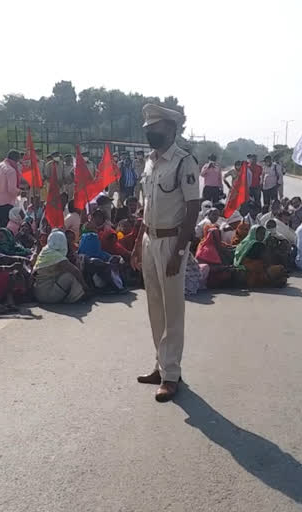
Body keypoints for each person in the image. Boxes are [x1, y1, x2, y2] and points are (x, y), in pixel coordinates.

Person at [130, 104, 200, 403]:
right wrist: (136, 243)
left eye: (154, 130)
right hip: (149, 239)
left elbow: (193, 209)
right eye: (147, 130)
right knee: (155, 308)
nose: (150, 134)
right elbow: (146, 208)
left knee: (173, 311)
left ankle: (171, 375)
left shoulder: (184, 162)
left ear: (171, 130)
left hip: (172, 242)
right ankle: (161, 366)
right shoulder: (150, 162)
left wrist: (180, 250)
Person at [32, 230, 88, 304]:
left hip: (38, 293)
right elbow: (75, 271)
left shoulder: (45, 251)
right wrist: (85, 287)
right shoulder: (56, 255)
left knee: (65, 272)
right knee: (70, 275)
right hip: (47, 295)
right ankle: (77, 297)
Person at [0, 150, 22, 228]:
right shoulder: (10, 170)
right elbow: (12, 190)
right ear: (16, 159)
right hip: (6, 204)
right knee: (7, 229)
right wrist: (20, 192)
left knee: (0, 228)